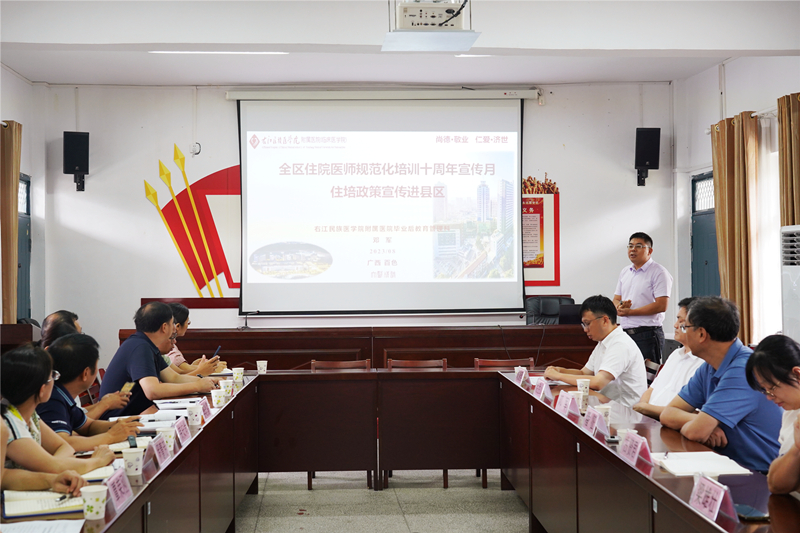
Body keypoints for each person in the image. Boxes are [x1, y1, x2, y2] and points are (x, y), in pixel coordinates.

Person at [660, 297, 781, 473]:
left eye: (686, 327)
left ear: (701, 334)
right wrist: (703, 423)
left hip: (761, 475)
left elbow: (695, 432)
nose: (683, 331)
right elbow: (667, 414)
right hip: (727, 465)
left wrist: (702, 425)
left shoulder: (744, 369)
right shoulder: (709, 367)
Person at [1, 343, 115, 476]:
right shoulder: (9, 422)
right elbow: (54, 466)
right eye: (52, 376)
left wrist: (56, 465)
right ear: (42, 389)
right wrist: (97, 461)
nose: (55, 381)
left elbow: (63, 447)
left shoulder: (29, 413)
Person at [99, 302, 217, 419]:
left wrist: (208, 381)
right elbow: (152, 391)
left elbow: (174, 378)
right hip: (115, 422)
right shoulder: (140, 347)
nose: (174, 328)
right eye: (172, 323)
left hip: (133, 416)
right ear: (164, 327)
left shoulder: (147, 345)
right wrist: (197, 386)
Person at [36, 333, 143, 452]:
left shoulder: (63, 394)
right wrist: (110, 436)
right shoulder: (51, 399)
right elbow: (62, 443)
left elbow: (88, 426)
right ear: (86, 373)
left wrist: (119, 425)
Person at [544, 295, 647, 408]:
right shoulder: (604, 342)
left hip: (624, 411)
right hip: (606, 404)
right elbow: (584, 373)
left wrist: (558, 376)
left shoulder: (620, 344)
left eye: (587, 323)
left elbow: (598, 383)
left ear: (604, 320)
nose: (585, 329)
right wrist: (561, 370)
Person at [40, 309, 132, 420]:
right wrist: (104, 405)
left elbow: (75, 414)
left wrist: (104, 403)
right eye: (78, 336)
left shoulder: (64, 382)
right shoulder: (50, 389)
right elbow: (73, 425)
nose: (82, 340)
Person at [745, 334, 800, 494]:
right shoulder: (791, 414)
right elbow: (775, 483)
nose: (769, 397)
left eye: (772, 388)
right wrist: (796, 449)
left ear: (797, 375)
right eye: (765, 390)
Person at [632, 297, 704, 419]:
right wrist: (643, 406)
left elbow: (692, 414)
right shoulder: (675, 354)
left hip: (670, 423)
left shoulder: (703, 364)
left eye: (681, 322)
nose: (675, 325)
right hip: (649, 418)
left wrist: (645, 408)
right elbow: (651, 389)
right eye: (677, 320)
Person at [613, 232, 673, 364]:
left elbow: (661, 305)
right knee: (626, 372)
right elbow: (616, 299)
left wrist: (630, 312)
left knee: (648, 374)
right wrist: (619, 307)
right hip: (625, 333)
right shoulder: (625, 272)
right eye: (630, 246)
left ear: (649, 251)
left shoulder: (659, 272)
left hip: (647, 335)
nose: (633, 249)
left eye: (638, 246)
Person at [1, 423, 87, 496]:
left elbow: (3, 474)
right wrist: (95, 461)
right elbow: (54, 467)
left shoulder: (32, 416)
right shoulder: (8, 422)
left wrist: (51, 478)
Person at [164, 302, 225, 376]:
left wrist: (197, 367)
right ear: (177, 326)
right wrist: (212, 368)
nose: (174, 342)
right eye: (187, 322)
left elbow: (179, 374)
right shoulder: (166, 348)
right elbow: (181, 374)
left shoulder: (163, 353)